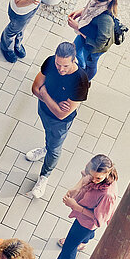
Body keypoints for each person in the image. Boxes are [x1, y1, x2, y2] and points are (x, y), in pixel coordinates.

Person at [44, 154, 119, 259]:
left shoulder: (108, 195)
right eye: (93, 176)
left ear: (108, 173)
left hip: (86, 221)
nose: (94, 180)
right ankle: (83, 242)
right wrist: (76, 188)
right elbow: (85, 176)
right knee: (80, 238)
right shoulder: (94, 171)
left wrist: (76, 206)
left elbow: (99, 220)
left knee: (68, 249)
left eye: (98, 178)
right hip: (84, 212)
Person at [25, 42, 90, 199]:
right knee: (49, 137)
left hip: (59, 123)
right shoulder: (49, 61)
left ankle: (44, 176)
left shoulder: (80, 81)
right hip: (44, 112)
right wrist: (53, 103)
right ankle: (45, 149)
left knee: (55, 149)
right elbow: (34, 88)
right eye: (58, 64)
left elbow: (62, 115)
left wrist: (45, 94)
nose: (61, 69)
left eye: (65, 66)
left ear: (74, 60)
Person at [67, 0, 117, 80]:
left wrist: (78, 28)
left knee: (90, 64)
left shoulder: (105, 20)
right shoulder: (98, 2)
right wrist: (80, 12)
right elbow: (90, 10)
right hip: (85, 32)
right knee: (75, 50)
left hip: (93, 47)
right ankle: (80, 66)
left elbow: (99, 44)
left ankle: (86, 79)